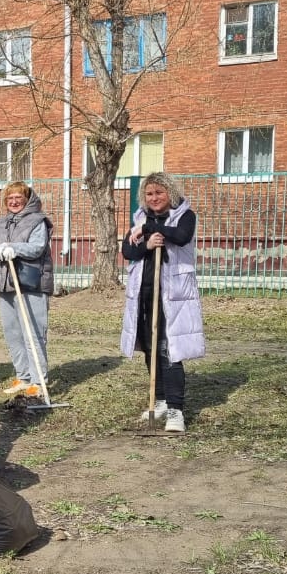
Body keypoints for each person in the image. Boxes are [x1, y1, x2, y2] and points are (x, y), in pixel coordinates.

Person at [119, 171, 205, 433]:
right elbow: (128, 251)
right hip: (145, 293)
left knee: (170, 350)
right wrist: (147, 244)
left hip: (173, 295)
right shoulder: (140, 217)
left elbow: (180, 236)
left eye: (159, 192)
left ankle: (176, 410)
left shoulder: (184, 216)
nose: (154, 198)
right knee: (151, 347)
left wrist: (148, 230)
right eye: (149, 194)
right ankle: (159, 401)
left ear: (170, 193)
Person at [0, 181, 53, 398]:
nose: (14, 202)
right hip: (6, 283)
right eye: (10, 198)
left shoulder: (37, 221)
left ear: (27, 199)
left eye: (18, 198)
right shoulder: (1, 222)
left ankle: (38, 380)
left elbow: (37, 247)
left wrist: (14, 248)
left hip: (31, 284)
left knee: (33, 333)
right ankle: (23, 377)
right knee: (13, 333)